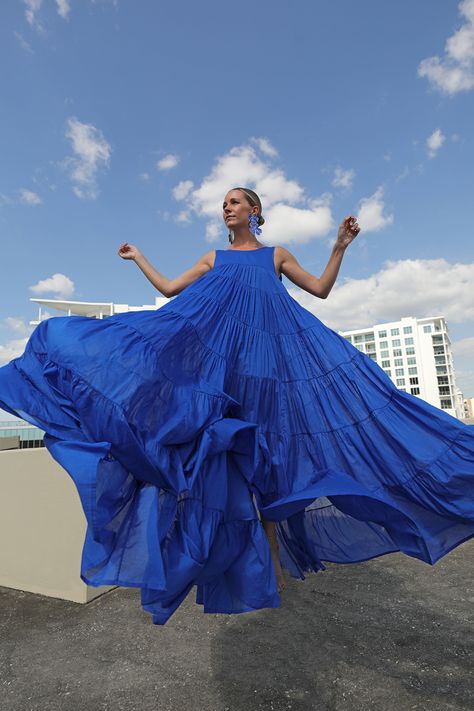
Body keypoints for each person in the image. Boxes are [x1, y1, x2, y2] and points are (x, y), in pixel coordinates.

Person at [0, 187, 473, 626]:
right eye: (223, 203)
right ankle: (245, 566)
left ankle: (270, 562)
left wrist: (339, 246)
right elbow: (169, 291)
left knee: (275, 460)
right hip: (222, 370)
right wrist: (139, 257)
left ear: (255, 212)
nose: (227, 207)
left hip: (273, 369)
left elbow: (321, 290)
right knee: (223, 461)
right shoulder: (214, 257)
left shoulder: (276, 255)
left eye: (236, 202)